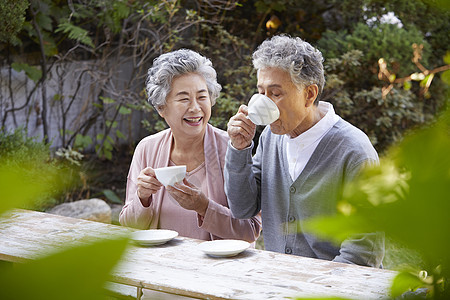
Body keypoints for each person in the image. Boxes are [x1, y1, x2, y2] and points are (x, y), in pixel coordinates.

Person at [224, 35, 384, 267]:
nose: (263, 102)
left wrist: (314, 288)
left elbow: (363, 250)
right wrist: (239, 149)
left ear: (309, 94)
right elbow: (242, 208)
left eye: (275, 93)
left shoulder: (354, 151)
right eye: (260, 92)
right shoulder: (270, 137)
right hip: (281, 284)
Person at [119, 49, 261, 243]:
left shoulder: (232, 148)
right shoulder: (147, 149)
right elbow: (129, 227)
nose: (195, 108)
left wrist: (204, 207)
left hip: (218, 270)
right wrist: (142, 197)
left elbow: (250, 230)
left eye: (202, 97)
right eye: (184, 98)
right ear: (161, 107)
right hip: (160, 268)